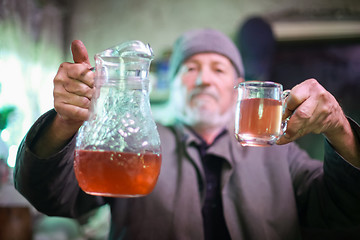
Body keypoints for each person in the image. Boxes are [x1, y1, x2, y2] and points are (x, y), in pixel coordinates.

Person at [14, 28, 360, 240]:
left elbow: (344, 211)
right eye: (190, 68)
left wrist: (340, 129)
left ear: (238, 88)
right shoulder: (135, 144)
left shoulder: (279, 153)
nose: (204, 79)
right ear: (172, 84)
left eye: (219, 69)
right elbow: (50, 195)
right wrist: (65, 123)